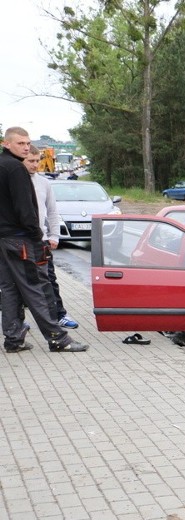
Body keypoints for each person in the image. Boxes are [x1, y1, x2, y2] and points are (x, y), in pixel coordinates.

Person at [0, 126, 87, 353]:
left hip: (4, 241)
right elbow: (25, 209)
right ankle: (58, 338)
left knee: (9, 289)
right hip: (22, 241)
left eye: (27, 143)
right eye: (21, 143)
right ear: (6, 144)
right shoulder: (16, 169)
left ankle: (13, 339)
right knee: (36, 288)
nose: (26, 147)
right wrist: (38, 237)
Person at [23, 146, 79, 328]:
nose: (35, 165)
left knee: (49, 279)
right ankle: (17, 320)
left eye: (37, 160)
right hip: (18, 240)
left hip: (41, 239)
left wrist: (54, 235)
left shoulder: (44, 183)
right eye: (30, 161)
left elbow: (52, 211)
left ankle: (59, 314)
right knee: (17, 282)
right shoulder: (12, 181)